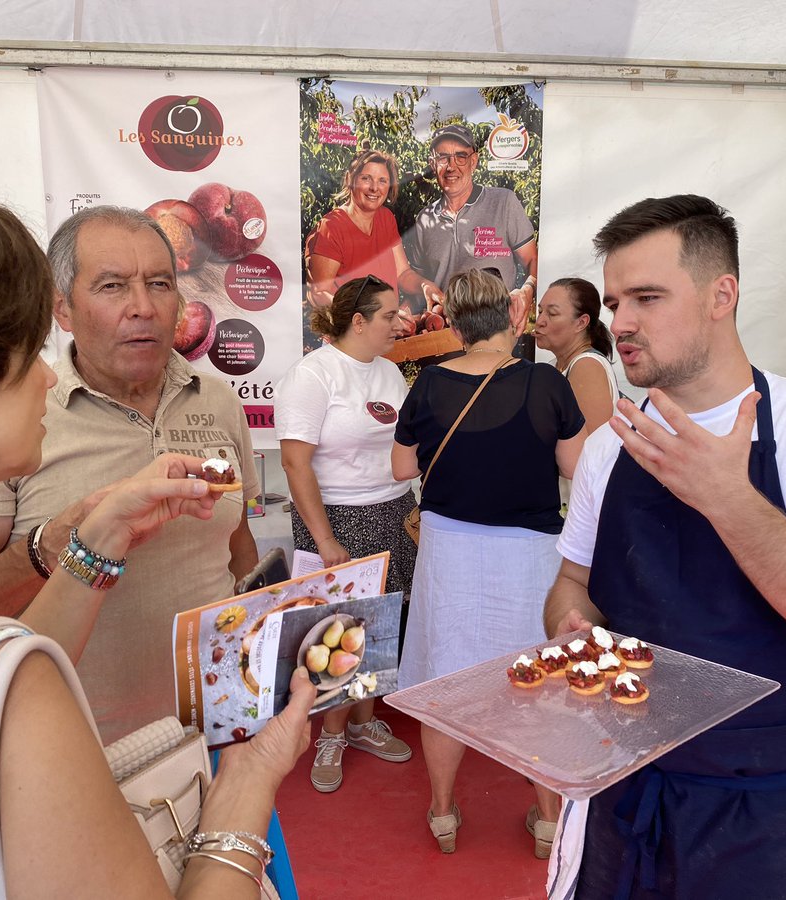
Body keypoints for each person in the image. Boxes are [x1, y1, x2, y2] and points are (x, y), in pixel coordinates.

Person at [0, 171, 314, 898]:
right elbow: (1, 671)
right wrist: (249, 782)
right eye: (29, 352)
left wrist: (94, 544)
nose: (41, 380)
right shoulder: (5, 690)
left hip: (200, 735)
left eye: (159, 284)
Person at [543, 195, 786, 898]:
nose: (623, 324)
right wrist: (569, 625)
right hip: (623, 795)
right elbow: (570, 582)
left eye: (647, 297)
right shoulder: (607, 452)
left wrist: (728, 498)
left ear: (722, 294)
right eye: (616, 302)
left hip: (771, 818)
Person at [0, 205, 261, 742]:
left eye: (160, 284)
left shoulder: (216, 400)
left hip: (219, 726)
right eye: (113, 285)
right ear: (63, 310)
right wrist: (51, 547)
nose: (142, 307)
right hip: (74, 746)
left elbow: (238, 541)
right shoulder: (25, 412)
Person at [392, 268, 585, 856]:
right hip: (529, 559)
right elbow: (577, 467)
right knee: (538, 683)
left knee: (445, 682)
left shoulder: (427, 384)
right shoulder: (546, 383)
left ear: (452, 323)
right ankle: (548, 818)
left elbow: (402, 470)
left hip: (449, 551)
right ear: (512, 318)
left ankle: (445, 812)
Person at [275, 275, 416, 794]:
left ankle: (360, 723)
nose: (399, 324)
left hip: (393, 513)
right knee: (338, 632)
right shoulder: (314, 376)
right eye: (389, 316)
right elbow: (294, 464)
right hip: (336, 518)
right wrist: (325, 539)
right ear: (358, 321)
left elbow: (401, 447)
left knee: (379, 629)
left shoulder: (390, 373)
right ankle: (329, 735)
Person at [413, 124, 538, 329]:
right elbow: (419, 279)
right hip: (446, 336)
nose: (451, 166)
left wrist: (527, 289)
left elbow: (532, 259)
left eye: (460, 156)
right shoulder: (425, 219)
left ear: (474, 162)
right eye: (443, 157)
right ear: (432, 164)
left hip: (497, 332)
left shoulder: (503, 202)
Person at [305, 148, 444, 313]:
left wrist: (425, 285)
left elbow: (403, 274)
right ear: (350, 179)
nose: (374, 188)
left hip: (386, 330)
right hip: (348, 335)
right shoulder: (330, 228)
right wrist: (370, 319)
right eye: (366, 178)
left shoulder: (385, 218)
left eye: (382, 181)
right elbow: (319, 295)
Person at [534, 277, 620, 434]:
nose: (539, 321)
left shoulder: (587, 366)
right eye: (540, 311)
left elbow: (588, 446)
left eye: (552, 314)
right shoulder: (555, 365)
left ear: (581, 323)